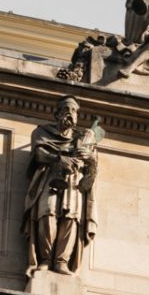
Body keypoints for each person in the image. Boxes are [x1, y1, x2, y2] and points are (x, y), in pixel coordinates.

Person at [24, 97, 102, 275]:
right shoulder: (42, 132)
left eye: (74, 111)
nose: (71, 113)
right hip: (49, 178)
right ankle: (45, 259)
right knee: (47, 213)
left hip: (74, 183)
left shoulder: (82, 138)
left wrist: (89, 158)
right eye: (67, 109)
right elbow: (38, 154)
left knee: (71, 217)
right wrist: (58, 158)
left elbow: (92, 167)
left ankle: (61, 261)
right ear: (57, 113)